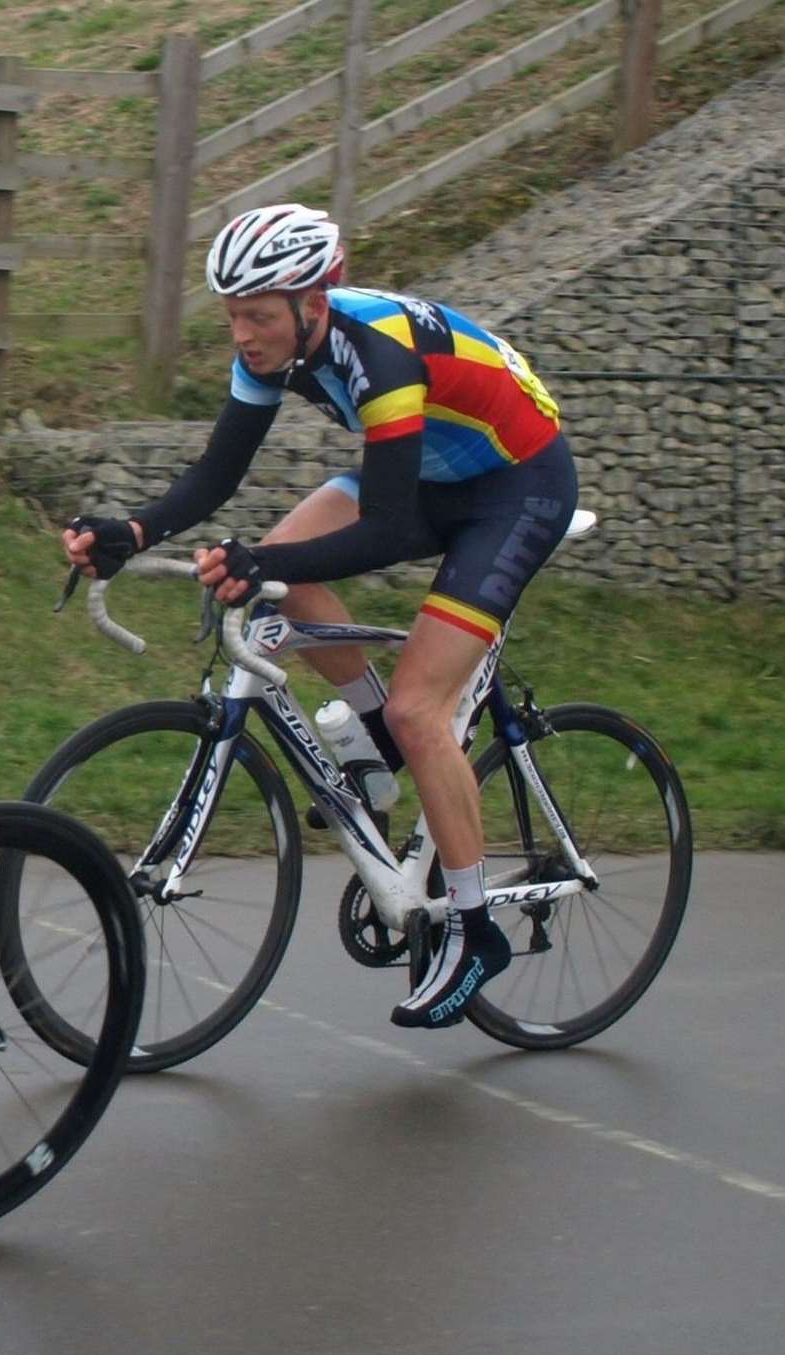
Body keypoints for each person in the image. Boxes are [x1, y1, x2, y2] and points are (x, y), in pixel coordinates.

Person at [63, 203, 577, 1029]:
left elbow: (381, 528)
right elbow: (215, 475)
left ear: (314, 301)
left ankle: (475, 930)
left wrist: (261, 564)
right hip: (431, 480)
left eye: (258, 316)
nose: (242, 334)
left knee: (420, 708)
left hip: (514, 489)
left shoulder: (377, 352)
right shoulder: (277, 349)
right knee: (282, 573)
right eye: (230, 315)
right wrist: (131, 530)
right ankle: (376, 739)